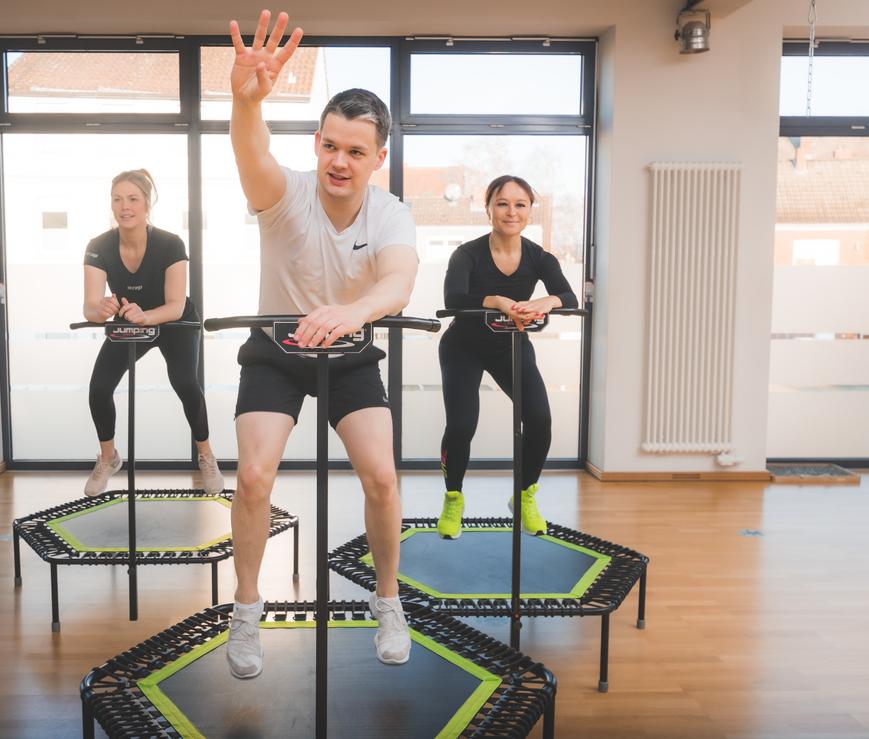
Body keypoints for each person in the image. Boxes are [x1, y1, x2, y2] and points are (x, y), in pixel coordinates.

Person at [224, 10, 420, 679]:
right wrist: (245, 101)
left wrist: (350, 312)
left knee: (382, 476)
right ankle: (245, 610)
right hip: (276, 350)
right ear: (316, 143)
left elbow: (397, 280)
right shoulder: (284, 197)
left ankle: (387, 600)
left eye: (355, 150)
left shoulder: (389, 212)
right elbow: (251, 154)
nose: (340, 160)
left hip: (351, 351)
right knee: (252, 478)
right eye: (330, 145)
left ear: (378, 157)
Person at [436, 175, 578, 540]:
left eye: (520, 204)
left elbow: (568, 296)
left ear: (530, 210)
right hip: (463, 346)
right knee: (462, 426)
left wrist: (548, 301)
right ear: (488, 209)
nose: (511, 212)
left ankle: (524, 495)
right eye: (502, 203)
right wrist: (497, 300)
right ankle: (454, 498)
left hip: (509, 345)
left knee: (540, 420)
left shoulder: (539, 257)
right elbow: (453, 300)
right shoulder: (466, 254)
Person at [81, 169, 225, 497]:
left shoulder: (170, 243)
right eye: (117, 199)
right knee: (99, 387)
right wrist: (100, 309)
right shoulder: (98, 246)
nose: (124, 206)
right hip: (130, 322)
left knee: (186, 382)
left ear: (147, 203)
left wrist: (146, 316)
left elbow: (175, 305)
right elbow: (89, 307)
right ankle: (108, 458)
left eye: (133, 199)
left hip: (174, 322)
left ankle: (206, 455)